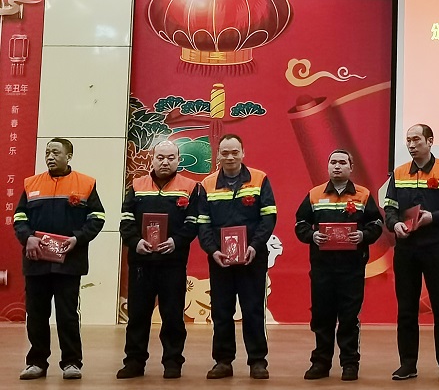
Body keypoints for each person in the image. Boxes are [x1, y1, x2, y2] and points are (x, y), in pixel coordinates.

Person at [13, 138, 106, 380]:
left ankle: (71, 363)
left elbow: (97, 217)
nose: (50, 156)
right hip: (36, 262)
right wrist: (28, 238)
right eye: (47, 152)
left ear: (69, 156)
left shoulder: (85, 183)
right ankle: (36, 363)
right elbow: (19, 217)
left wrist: (78, 238)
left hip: (69, 263)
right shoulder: (31, 184)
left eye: (55, 152)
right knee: (36, 315)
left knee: (67, 315)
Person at [383, 124, 439, 382]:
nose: (411, 145)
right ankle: (408, 364)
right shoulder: (399, 173)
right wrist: (394, 224)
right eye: (408, 140)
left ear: (430, 141)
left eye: (416, 139)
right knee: (406, 309)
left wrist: (434, 217)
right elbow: (389, 208)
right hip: (406, 249)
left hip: (436, 248)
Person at [294, 149, 383, 382]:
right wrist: (312, 235)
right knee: (322, 316)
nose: (337, 166)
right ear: (328, 166)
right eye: (333, 162)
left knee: (349, 318)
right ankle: (320, 363)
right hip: (322, 268)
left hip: (352, 268)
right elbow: (300, 223)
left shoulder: (363, 195)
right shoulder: (314, 195)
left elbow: (376, 224)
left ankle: (350, 364)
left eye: (342, 162)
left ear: (351, 168)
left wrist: (363, 236)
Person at [118, 140, 203, 379]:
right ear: (152, 159)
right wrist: (136, 242)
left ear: (178, 160)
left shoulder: (190, 187)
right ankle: (134, 362)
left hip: (172, 262)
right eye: (160, 157)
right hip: (141, 263)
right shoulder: (137, 185)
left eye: (170, 158)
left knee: (173, 315)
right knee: (138, 316)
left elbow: (193, 222)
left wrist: (176, 241)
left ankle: (173, 362)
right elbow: (126, 220)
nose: (165, 162)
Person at [196, 134, 277, 380]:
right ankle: (223, 362)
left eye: (234, 152)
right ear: (218, 155)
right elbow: (202, 223)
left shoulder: (259, 179)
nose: (230, 157)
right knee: (221, 311)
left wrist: (254, 245)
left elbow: (269, 216)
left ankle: (258, 362)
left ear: (243, 153)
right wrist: (212, 250)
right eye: (225, 153)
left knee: (253, 310)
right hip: (220, 259)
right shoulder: (206, 184)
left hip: (253, 258)